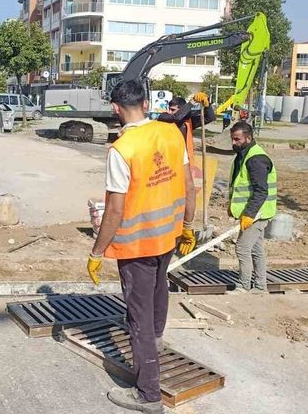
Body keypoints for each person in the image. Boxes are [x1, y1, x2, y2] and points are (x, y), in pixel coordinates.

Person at [87, 79, 197, 414]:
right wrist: (188, 226)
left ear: (115, 109)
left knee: (138, 317)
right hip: (169, 236)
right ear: (146, 104)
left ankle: (149, 395)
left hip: (137, 246)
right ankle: (156, 342)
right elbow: (190, 185)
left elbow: (116, 210)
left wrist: (96, 252)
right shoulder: (171, 133)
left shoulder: (122, 149)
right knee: (159, 290)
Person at [228, 121, 277, 293]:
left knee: (242, 248)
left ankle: (243, 286)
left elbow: (261, 191)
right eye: (232, 139)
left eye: (237, 139)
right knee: (256, 249)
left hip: (257, 213)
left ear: (248, 138)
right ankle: (260, 286)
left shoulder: (256, 159)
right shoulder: (245, 154)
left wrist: (249, 214)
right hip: (255, 212)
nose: (234, 143)